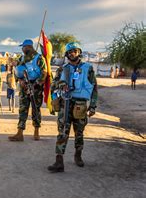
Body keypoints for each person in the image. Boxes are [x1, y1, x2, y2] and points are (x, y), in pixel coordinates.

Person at [48, 42, 98, 172]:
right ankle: (59, 161)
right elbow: (52, 86)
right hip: (65, 104)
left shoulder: (88, 68)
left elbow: (94, 88)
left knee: (79, 133)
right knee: (62, 133)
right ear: (67, 54)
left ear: (79, 52)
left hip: (80, 105)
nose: (72, 54)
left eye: (74, 51)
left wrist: (92, 106)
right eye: (70, 52)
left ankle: (78, 155)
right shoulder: (62, 69)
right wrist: (60, 85)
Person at [8, 39, 47, 141]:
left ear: (29, 47)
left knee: (36, 110)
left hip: (36, 88)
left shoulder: (39, 58)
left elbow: (44, 73)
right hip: (24, 87)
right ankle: (20, 133)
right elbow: (17, 71)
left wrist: (36, 83)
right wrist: (19, 80)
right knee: (22, 110)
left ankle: (36, 131)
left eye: (24, 47)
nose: (22, 49)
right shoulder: (21, 58)